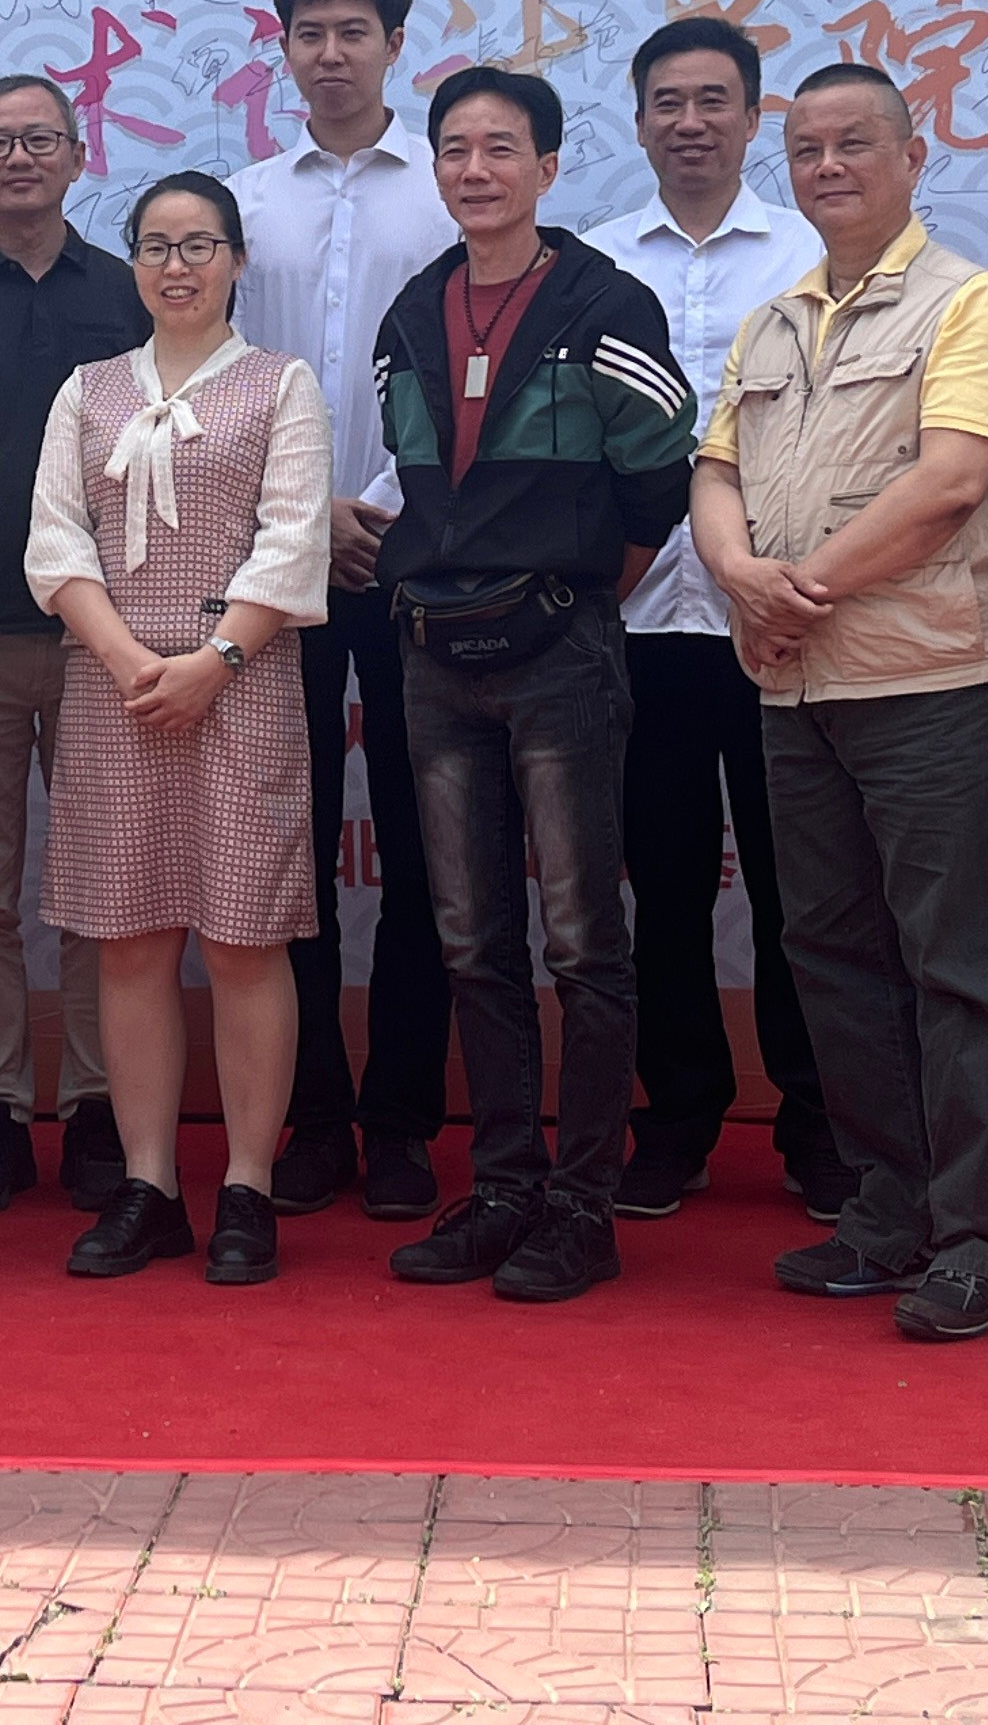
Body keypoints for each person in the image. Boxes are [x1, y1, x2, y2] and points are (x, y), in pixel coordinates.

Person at [689, 64, 988, 1343]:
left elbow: (949, 483)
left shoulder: (968, 303)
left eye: (853, 144)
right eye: (806, 149)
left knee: (959, 966)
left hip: (931, 678)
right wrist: (739, 577)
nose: (828, 166)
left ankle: (986, 1239)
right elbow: (713, 470)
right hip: (794, 684)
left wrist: (798, 590)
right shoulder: (772, 319)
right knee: (833, 956)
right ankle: (888, 1209)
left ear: (910, 156)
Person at [367, 66, 694, 1306]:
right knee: (470, 940)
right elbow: (413, 476)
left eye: (500, 148)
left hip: (561, 656)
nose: (475, 170)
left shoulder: (605, 303)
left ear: (548, 168)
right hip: (432, 659)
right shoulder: (412, 310)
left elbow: (658, 480)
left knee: (583, 940)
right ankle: (502, 1187)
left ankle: (581, 1207)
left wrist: (571, 593)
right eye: (454, 149)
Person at [27, 173, 332, 1286]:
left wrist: (214, 662)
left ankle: (246, 1185)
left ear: (237, 261)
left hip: (241, 683)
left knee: (246, 939)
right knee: (131, 938)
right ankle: (147, 1185)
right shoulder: (87, 390)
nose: (176, 266)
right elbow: (55, 541)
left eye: (199, 245)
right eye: (155, 246)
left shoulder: (279, 384)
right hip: (116, 689)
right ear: (133, 264)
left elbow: (293, 538)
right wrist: (128, 663)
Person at [588, 16, 847, 1223]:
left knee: (806, 888)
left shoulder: (814, 255)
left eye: (711, 102)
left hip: (781, 620)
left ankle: (820, 1123)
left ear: (753, 118)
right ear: (638, 119)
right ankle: (676, 1116)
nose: (688, 123)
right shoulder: (589, 264)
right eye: (666, 102)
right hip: (635, 626)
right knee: (661, 886)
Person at [233, 0, 458, 1223]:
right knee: (288, 849)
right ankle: (312, 1114)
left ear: (395, 45)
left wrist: (381, 505)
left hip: (422, 556)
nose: (330, 54)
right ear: (283, 49)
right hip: (278, 563)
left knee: (429, 849)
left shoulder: (447, 189)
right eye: (308, 34)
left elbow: (468, 373)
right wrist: (305, 514)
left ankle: (406, 1121)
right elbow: (220, 379)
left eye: (352, 33)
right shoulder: (243, 203)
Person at [0, 75, 146, 1220]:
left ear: (77, 154)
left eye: (38, 138)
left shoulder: (133, 294)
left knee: (101, 890)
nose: (17, 157)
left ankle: (98, 1102)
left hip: (111, 639)